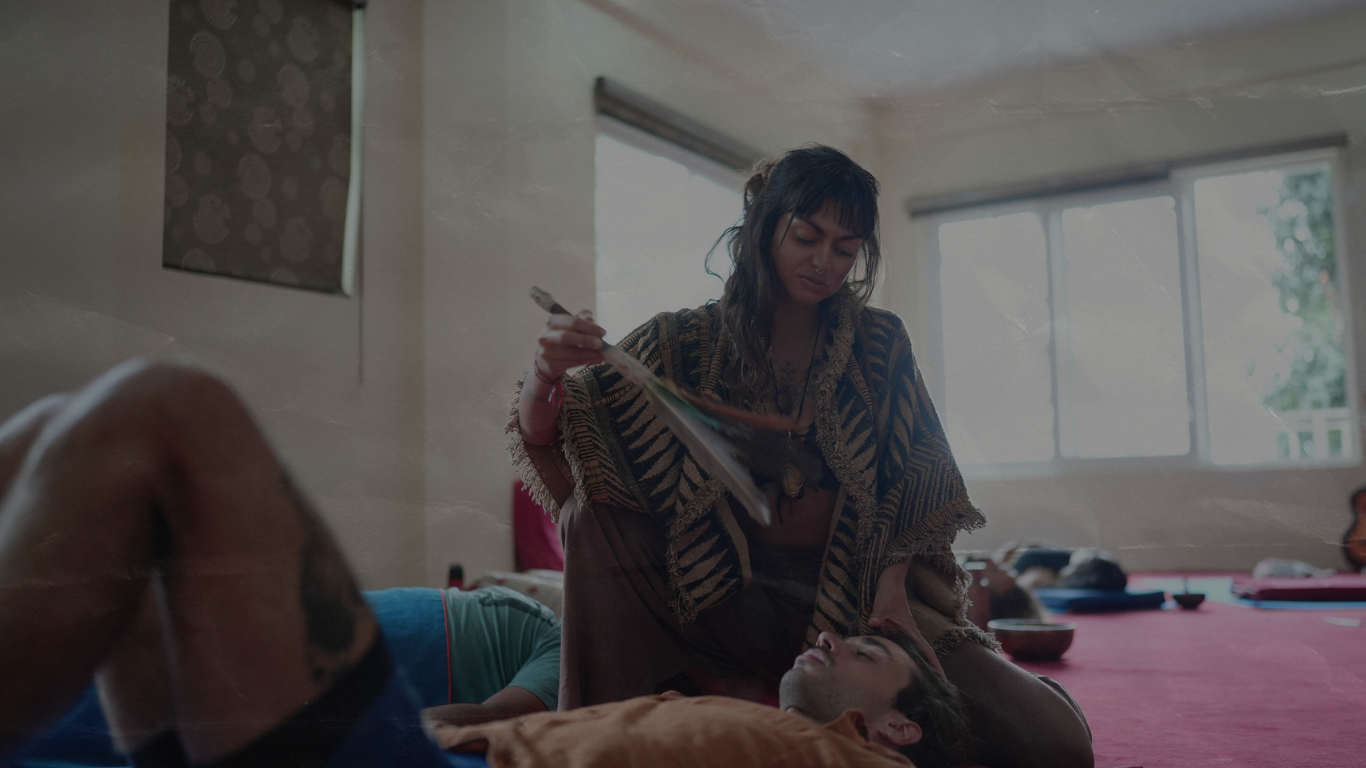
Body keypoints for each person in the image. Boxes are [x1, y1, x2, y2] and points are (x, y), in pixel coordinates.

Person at [0, 359, 970, 768]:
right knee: (61, 432)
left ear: (894, 733)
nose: (835, 631)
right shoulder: (773, 731)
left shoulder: (843, 762)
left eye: (871, 655)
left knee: (167, 415)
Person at [511, 146, 1093, 767]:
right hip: (707, 595)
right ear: (765, 228)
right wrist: (544, 374)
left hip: (857, 602)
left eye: (845, 249)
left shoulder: (880, 343)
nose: (824, 263)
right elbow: (552, 436)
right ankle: (605, 735)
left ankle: (757, 693)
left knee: (1055, 746)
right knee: (592, 515)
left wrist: (893, 590)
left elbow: (914, 478)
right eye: (807, 237)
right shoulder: (677, 342)